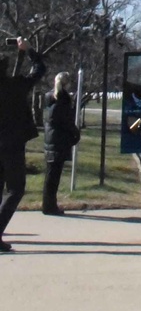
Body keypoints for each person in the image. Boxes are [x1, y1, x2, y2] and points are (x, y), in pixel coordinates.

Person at [0, 38, 46, 251]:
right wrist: (27, 50)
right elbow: (39, 69)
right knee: (15, 189)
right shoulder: (15, 86)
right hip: (12, 145)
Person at [42, 71, 79, 216]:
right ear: (66, 84)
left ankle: (49, 204)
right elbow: (66, 121)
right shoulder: (62, 100)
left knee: (50, 175)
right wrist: (75, 133)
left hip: (51, 140)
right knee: (53, 177)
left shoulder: (50, 97)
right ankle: (49, 206)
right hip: (59, 141)